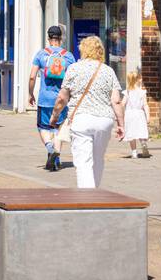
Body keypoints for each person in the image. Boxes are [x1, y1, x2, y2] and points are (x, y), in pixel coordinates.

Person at [49, 36, 125, 189]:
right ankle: (95, 192)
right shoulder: (108, 71)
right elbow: (116, 100)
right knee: (98, 159)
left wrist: (54, 116)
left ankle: (89, 199)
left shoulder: (74, 69)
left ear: (83, 50)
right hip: (104, 120)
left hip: (81, 119)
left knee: (83, 162)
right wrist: (121, 124)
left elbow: (61, 98)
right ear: (100, 51)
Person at [28, 26, 74, 172]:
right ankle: (57, 158)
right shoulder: (68, 56)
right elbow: (73, 78)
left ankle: (49, 147)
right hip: (62, 98)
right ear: (61, 38)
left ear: (48, 38)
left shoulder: (41, 55)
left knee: (43, 127)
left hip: (44, 99)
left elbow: (32, 76)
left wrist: (30, 93)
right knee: (59, 129)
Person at [123, 69, 151, 158]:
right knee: (141, 131)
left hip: (129, 114)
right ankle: (143, 143)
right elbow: (145, 105)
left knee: (131, 134)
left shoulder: (127, 92)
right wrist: (148, 117)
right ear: (138, 80)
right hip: (140, 114)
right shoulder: (142, 92)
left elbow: (123, 103)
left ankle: (134, 152)